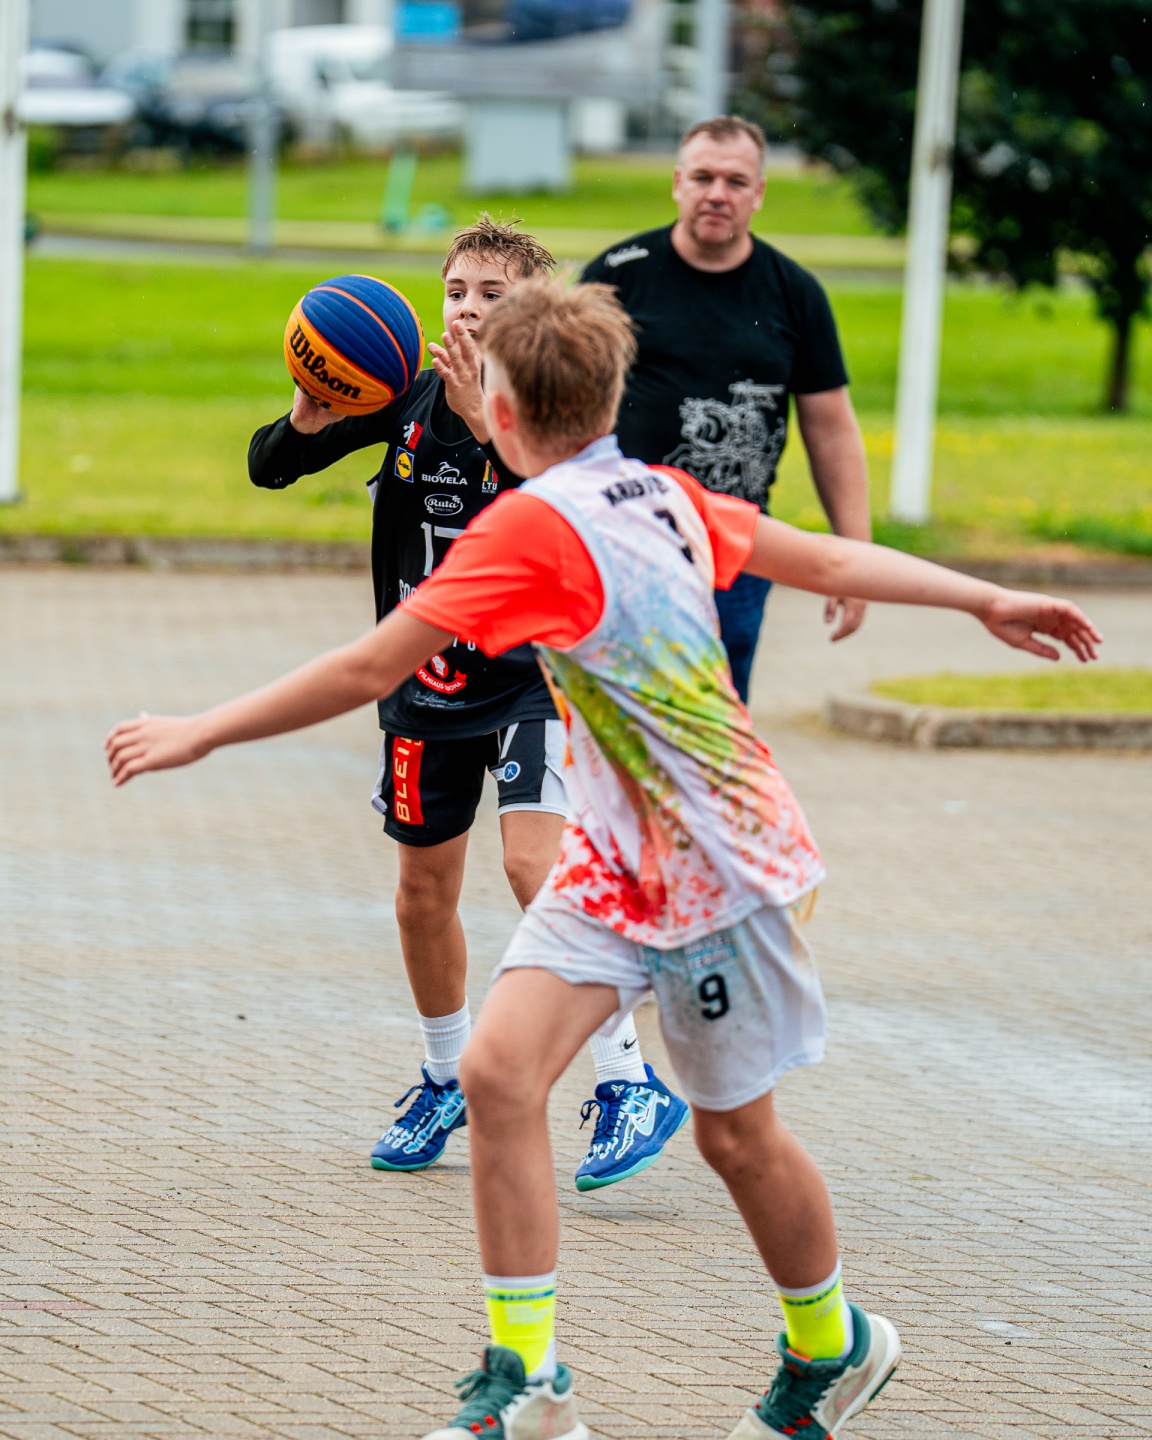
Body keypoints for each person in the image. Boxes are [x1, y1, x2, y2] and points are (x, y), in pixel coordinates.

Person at [107, 281, 1100, 1440]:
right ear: (612, 400)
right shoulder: (660, 489)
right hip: (617, 861)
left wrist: (201, 730)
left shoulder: (534, 528)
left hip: (720, 868)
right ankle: (529, 1379)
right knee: (498, 1075)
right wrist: (985, 596)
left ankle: (830, 1344)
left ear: (502, 411)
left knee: (735, 1136)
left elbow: (369, 668)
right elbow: (825, 560)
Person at [248, 219, 687, 1189]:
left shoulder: (556, 411)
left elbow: (568, 504)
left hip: (532, 678)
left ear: (531, 309)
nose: (469, 308)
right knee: (421, 896)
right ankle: (444, 1077)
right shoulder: (404, 396)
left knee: (534, 865)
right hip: (424, 687)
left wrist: (488, 424)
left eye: (493, 293)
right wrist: (308, 418)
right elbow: (268, 467)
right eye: (456, 291)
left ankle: (628, 1081)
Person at [582, 115, 872, 703]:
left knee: (719, 714)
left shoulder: (794, 293)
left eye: (736, 182)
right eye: (703, 177)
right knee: (615, 709)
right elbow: (562, 408)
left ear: (759, 193)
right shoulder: (617, 277)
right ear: (677, 182)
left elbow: (831, 430)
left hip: (737, 550)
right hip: (624, 537)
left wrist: (855, 558)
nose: (718, 194)